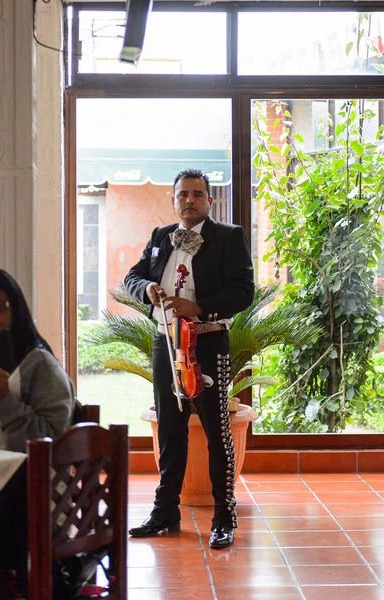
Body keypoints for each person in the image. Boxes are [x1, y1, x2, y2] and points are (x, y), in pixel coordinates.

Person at [125, 169, 254, 549]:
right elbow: (131, 278)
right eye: (183, 194)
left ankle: (223, 517)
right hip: (166, 345)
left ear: (209, 200)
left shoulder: (230, 237)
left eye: (198, 194)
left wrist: (198, 306)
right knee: (169, 430)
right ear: (173, 200)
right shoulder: (159, 237)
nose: (189, 200)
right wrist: (147, 287)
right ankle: (165, 512)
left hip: (208, 343)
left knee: (217, 432)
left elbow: (244, 291)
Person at [0, 267, 75, 597]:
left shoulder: (39, 365)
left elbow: (50, 445)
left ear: (17, 309)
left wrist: (4, 399)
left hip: (32, 505)